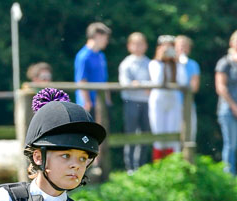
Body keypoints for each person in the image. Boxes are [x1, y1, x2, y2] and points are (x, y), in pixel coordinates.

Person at [118, 32, 151, 172]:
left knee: (146, 133)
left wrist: (139, 84)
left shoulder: (149, 62)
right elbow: (125, 83)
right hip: (130, 101)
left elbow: (153, 82)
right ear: (129, 46)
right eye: (135, 44)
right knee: (130, 133)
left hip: (146, 102)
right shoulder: (126, 63)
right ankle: (130, 166)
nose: (138, 47)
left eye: (141, 44)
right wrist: (141, 85)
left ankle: (141, 164)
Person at [148, 35, 182, 160]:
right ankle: (159, 165)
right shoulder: (154, 63)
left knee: (172, 134)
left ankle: (171, 164)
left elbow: (182, 81)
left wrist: (177, 61)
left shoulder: (177, 65)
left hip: (173, 100)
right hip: (159, 101)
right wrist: (160, 60)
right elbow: (157, 80)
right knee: (158, 134)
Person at [74, 22, 112, 116]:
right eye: (105, 37)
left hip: (101, 103)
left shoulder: (101, 55)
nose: (106, 41)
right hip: (88, 105)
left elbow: (103, 79)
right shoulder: (83, 56)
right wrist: (87, 102)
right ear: (97, 36)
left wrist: (107, 99)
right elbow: (81, 81)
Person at [215, 30, 237, 175]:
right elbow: (220, 87)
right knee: (231, 144)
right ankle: (229, 177)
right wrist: (234, 106)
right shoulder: (225, 62)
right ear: (231, 43)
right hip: (228, 109)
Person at [175, 35, 200, 142]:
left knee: (190, 135)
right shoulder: (169, 64)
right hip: (173, 104)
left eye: (185, 46)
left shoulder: (193, 65)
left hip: (188, 105)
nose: (182, 48)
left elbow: (194, 87)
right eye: (180, 46)